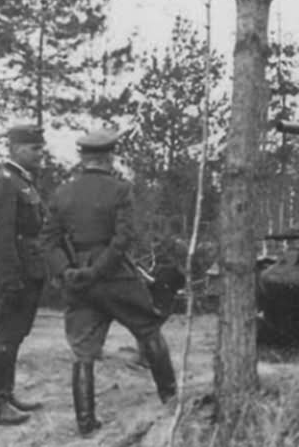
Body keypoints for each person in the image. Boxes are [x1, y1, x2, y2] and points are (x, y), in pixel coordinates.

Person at [40, 129, 177, 437]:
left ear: (83, 158)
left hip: (78, 282)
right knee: (149, 329)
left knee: (83, 352)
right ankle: (171, 401)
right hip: (116, 278)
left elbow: (47, 242)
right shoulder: (120, 190)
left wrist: (67, 272)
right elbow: (124, 238)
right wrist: (98, 271)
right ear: (108, 157)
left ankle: (85, 424)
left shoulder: (62, 193)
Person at [0, 124, 47, 426]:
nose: (40, 153)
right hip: (15, 275)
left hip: (28, 272)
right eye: (35, 148)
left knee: (15, 336)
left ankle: (7, 394)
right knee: (5, 338)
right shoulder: (6, 182)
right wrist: (10, 280)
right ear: (17, 148)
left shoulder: (23, 182)